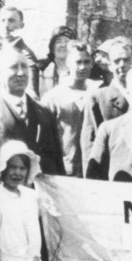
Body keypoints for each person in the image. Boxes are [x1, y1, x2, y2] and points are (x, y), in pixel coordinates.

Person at [0, 44, 65, 232]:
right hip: (2, 221)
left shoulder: (45, 114)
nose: (20, 73)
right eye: (13, 67)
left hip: (41, 221)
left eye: (24, 67)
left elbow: (57, 167)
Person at [41, 41, 93, 177]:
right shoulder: (52, 98)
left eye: (86, 62)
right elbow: (45, 142)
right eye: (78, 62)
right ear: (68, 63)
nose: (82, 67)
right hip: (64, 172)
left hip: (91, 172)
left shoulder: (96, 94)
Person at [80, 36, 132, 163]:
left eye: (127, 60)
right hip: (110, 175)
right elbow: (89, 145)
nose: (122, 65)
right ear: (109, 64)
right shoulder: (98, 98)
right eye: (117, 60)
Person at [0, 6, 40, 95]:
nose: (5, 25)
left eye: (11, 20)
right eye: (2, 21)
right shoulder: (2, 52)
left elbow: (32, 93)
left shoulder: (25, 54)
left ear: (21, 25)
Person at [38, 25, 76, 97]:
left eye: (67, 41)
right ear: (52, 47)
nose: (63, 45)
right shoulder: (43, 70)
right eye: (58, 41)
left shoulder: (79, 70)